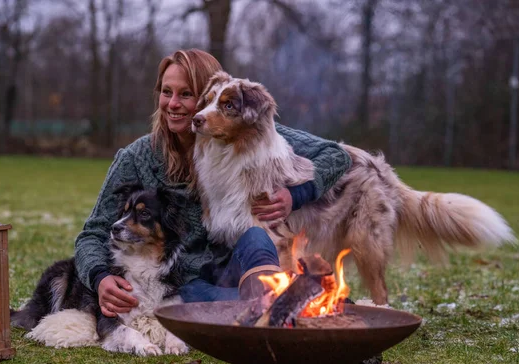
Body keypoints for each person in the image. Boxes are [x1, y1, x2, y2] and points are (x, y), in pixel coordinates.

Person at [74, 48, 352, 318]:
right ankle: (300, 307)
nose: (172, 104)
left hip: (237, 265)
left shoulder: (246, 133)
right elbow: (93, 233)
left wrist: (296, 195)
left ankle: (283, 306)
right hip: (185, 283)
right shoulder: (138, 157)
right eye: (166, 92)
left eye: (186, 94)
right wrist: (100, 277)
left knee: (256, 237)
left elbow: (336, 156)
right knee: (212, 299)